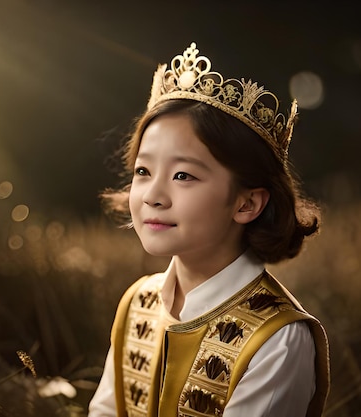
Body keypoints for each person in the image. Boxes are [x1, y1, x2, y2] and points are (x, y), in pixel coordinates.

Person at [89, 42, 330, 417]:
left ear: (247, 203)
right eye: (143, 171)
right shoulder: (139, 302)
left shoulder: (277, 337)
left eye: (183, 175)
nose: (153, 195)